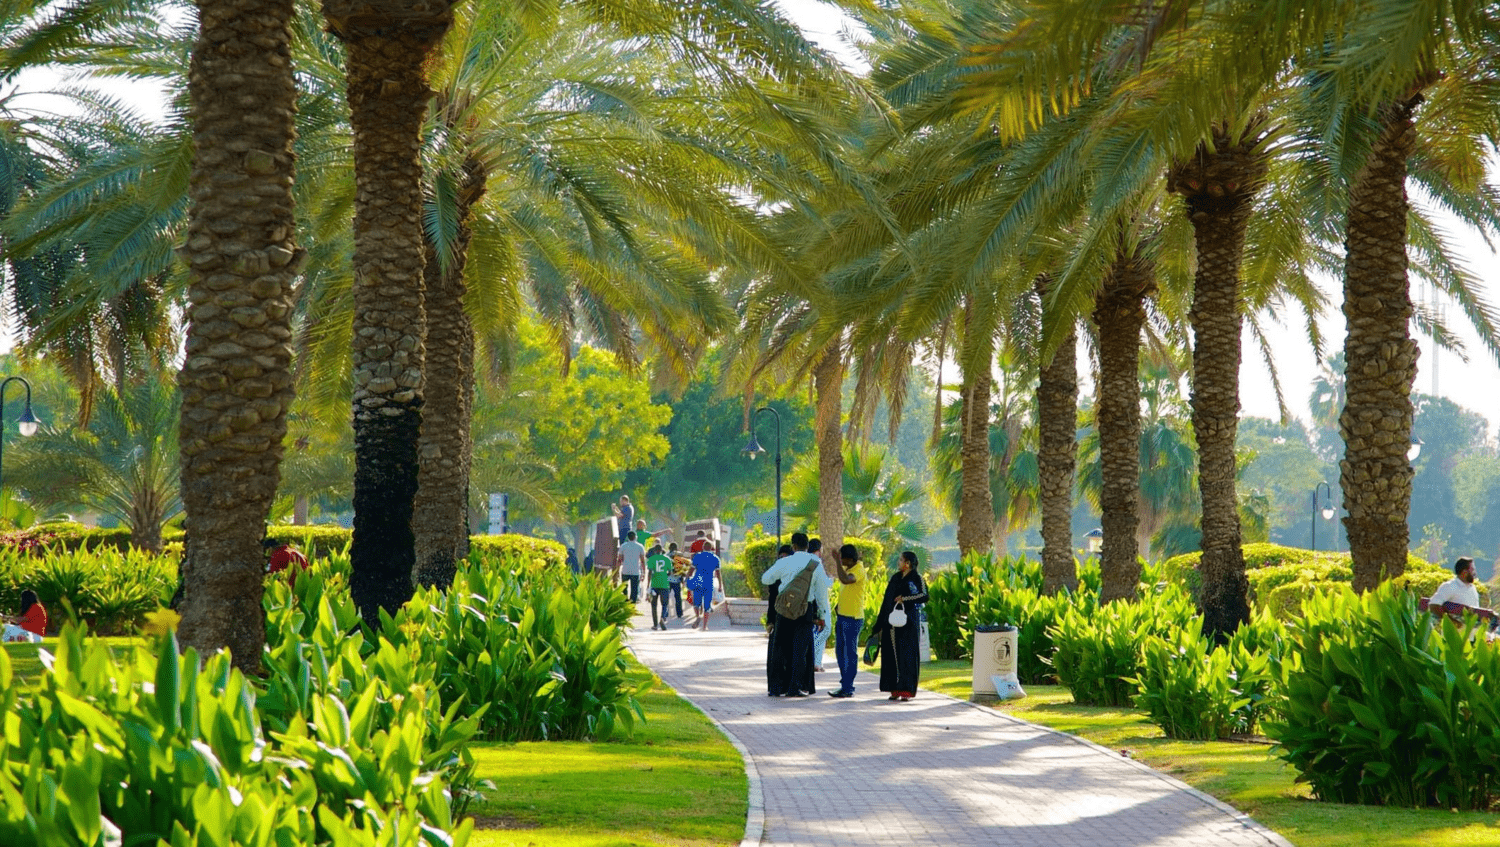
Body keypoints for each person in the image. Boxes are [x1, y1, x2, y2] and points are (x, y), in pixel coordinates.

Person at [761, 532, 831, 697]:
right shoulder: (816, 564)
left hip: (784, 610)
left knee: (780, 648)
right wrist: (821, 614)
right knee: (800, 649)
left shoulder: (785, 561)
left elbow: (766, 579)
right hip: (805, 610)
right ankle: (795, 686)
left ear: (793, 546)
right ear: (808, 547)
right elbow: (821, 593)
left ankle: (776, 687)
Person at [873, 549, 928, 701]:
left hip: (909, 623)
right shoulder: (895, 578)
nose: (898, 562)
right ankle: (894, 689)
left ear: (908, 563)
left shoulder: (917, 579)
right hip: (891, 624)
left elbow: (924, 596)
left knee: (907, 655)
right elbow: (887, 600)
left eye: (901, 560)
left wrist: (905, 599)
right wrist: (880, 623)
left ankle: (907, 690)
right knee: (892, 655)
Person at [828, 543, 865, 699]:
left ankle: (848, 687)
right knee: (840, 652)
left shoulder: (858, 570)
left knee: (850, 653)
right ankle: (845, 684)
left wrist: (836, 561)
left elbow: (845, 580)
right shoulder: (850, 568)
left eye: (842, 558)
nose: (841, 561)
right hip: (843, 617)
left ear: (849, 559)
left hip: (853, 618)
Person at [687, 542, 724, 631]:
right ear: (711, 548)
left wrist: (687, 579)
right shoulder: (715, 558)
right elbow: (718, 574)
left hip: (698, 582)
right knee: (707, 605)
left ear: (703, 547)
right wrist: (720, 586)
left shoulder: (697, 556)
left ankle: (698, 616)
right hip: (708, 583)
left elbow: (691, 571)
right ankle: (704, 626)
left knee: (696, 603)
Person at [808, 539, 832, 672]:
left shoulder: (809, 561)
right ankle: (813, 659)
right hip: (820, 603)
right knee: (826, 629)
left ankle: (817, 662)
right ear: (818, 550)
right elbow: (824, 583)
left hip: (815, 602)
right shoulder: (817, 562)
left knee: (819, 632)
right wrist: (832, 580)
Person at [645, 543, 674, 630]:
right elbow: (670, 572)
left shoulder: (651, 559)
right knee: (665, 604)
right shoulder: (667, 559)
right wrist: (665, 574)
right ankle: (662, 618)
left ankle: (655, 624)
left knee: (654, 604)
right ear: (661, 551)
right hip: (664, 584)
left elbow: (650, 572)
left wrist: (648, 585)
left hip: (654, 585)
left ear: (654, 551)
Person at [616, 530, 647, 603]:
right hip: (635, 571)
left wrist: (617, 571)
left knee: (624, 588)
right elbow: (642, 561)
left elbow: (619, 560)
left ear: (628, 537)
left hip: (625, 570)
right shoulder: (640, 546)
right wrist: (644, 572)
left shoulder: (623, 546)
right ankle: (632, 605)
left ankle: (624, 602)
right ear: (635, 537)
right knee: (634, 589)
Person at [667, 542, 687, 619]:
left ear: (669, 548)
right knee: (678, 597)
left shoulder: (666, 555)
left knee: (666, 596)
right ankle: (679, 613)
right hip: (677, 579)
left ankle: (665, 612)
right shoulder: (680, 555)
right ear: (677, 548)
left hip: (668, 579)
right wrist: (682, 579)